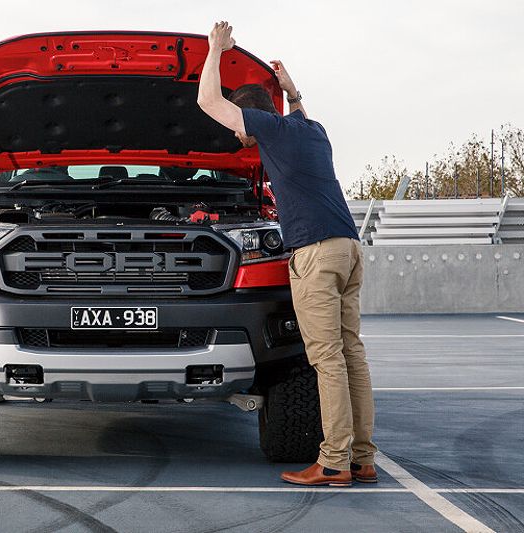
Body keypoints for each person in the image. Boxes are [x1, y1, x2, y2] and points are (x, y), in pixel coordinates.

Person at [197, 21, 378, 487]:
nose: (239, 139)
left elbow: (207, 102)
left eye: (241, 128)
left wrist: (216, 49)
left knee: (327, 360)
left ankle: (334, 462)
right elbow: (299, 113)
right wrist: (294, 90)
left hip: (316, 252)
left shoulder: (271, 129)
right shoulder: (310, 130)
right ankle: (362, 457)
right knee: (351, 353)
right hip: (348, 247)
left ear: (252, 117)